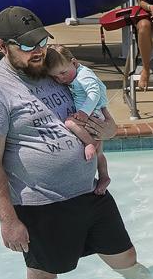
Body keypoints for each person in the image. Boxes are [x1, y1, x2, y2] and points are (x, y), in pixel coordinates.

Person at [0, 6, 153, 279]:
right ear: (3, 46)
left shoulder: (53, 71)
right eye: (27, 45)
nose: (38, 51)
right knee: (46, 269)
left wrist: (108, 129)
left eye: (41, 41)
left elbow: (101, 116)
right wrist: (8, 221)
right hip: (43, 204)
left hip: (90, 191)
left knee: (124, 253)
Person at [46, 45, 112, 199]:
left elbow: (94, 93)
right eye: (55, 77)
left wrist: (84, 112)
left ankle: (90, 143)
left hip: (93, 113)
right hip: (91, 114)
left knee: (70, 123)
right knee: (99, 154)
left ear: (74, 63)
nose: (61, 79)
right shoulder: (73, 75)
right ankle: (104, 177)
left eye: (63, 73)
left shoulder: (84, 75)